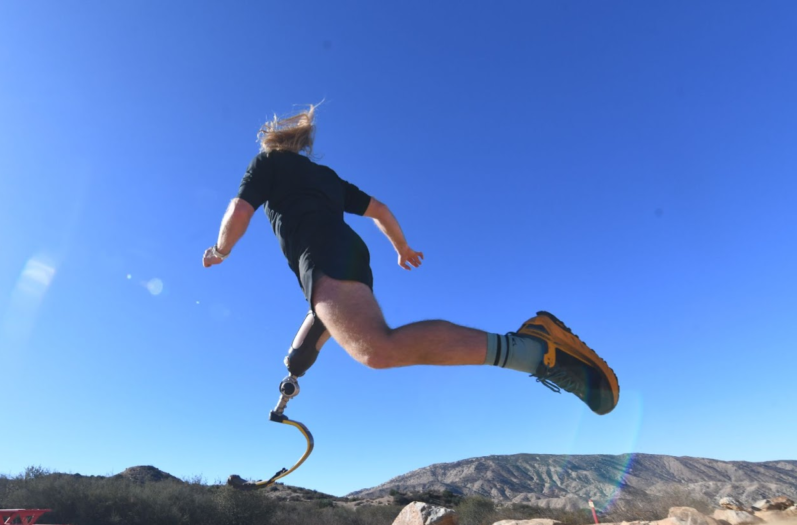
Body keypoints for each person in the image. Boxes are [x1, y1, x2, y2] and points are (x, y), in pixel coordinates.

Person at [203, 106, 618, 416]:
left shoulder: (267, 163)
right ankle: (533, 349)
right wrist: (296, 366)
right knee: (356, 336)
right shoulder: (325, 178)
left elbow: (239, 211)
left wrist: (221, 250)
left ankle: (534, 349)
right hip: (347, 254)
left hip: (321, 255)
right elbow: (380, 210)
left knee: (378, 351)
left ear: (273, 144)